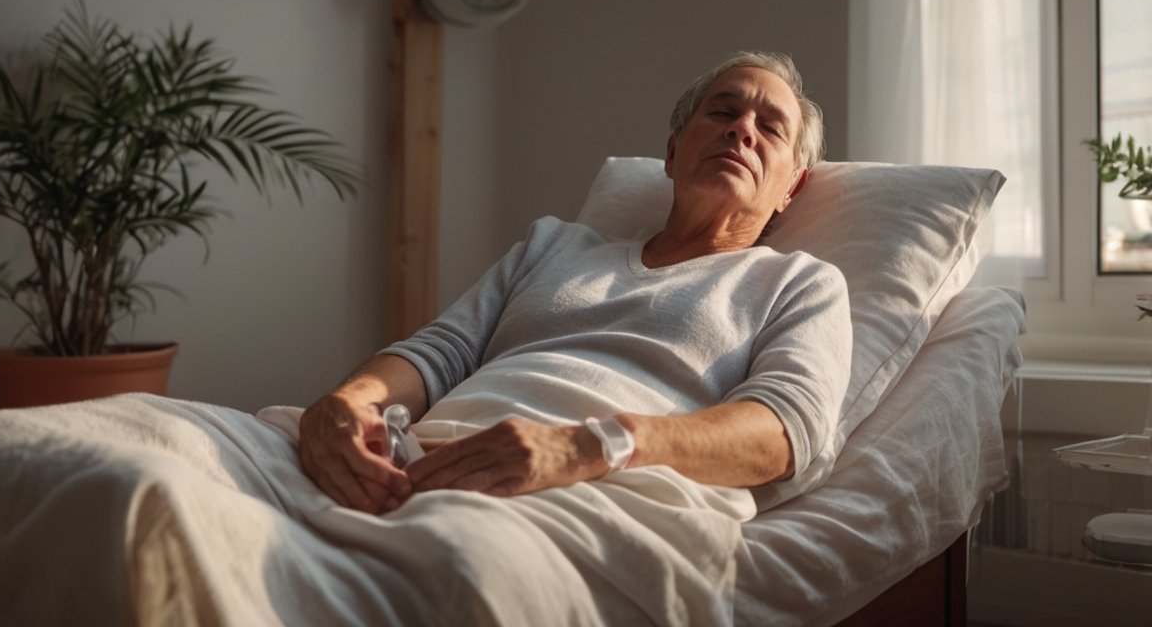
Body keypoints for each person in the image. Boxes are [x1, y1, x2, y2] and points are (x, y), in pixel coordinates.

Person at [299, 51, 852, 516]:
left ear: (791, 188)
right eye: (724, 111)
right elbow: (436, 354)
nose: (741, 129)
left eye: (771, 128)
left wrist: (587, 446)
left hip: (586, 490)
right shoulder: (552, 246)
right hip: (412, 456)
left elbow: (784, 433)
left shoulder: (800, 284)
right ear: (672, 151)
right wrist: (345, 407)